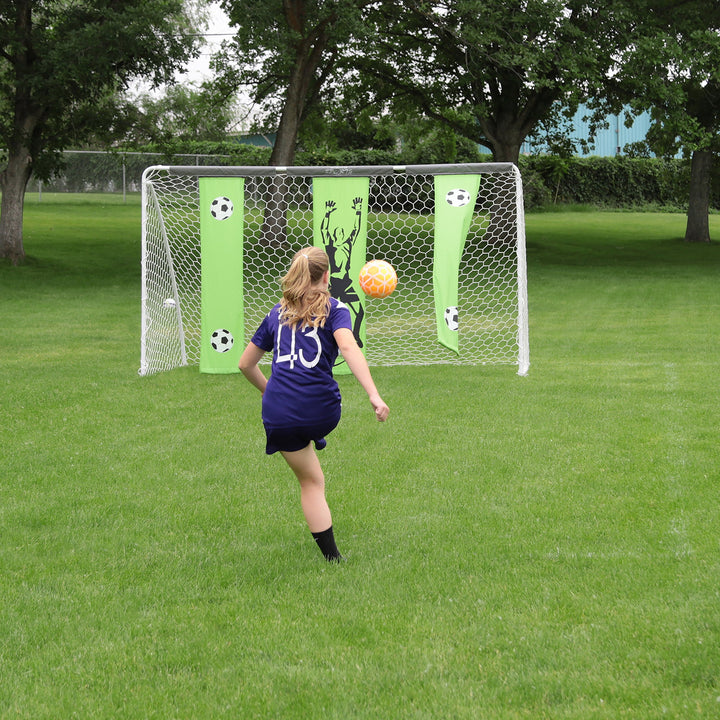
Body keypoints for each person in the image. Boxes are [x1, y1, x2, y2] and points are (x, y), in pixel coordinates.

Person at [238, 246, 389, 562]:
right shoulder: (336, 309)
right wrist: (374, 395)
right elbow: (348, 347)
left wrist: (270, 393)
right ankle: (313, 432)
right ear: (325, 276)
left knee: (310, 482)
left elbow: (245, 364)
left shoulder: (276, 314)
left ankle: (333, 559)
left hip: (278, 413)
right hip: (322, 411)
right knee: (312, 455)